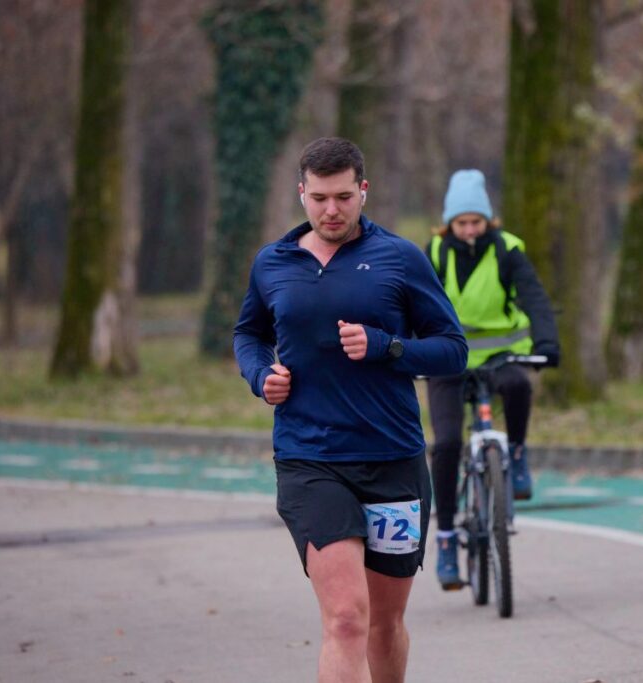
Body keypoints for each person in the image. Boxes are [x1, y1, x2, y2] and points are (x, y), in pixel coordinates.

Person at [233, 137, 467, 683]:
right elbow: (249, 334)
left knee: (384, 624)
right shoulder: (273, 263)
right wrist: (260, 375)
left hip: (393, 462)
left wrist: (389, 346)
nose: (331, 210)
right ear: (302, 194)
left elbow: (453, 350)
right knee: (344, 618)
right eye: (319, 198)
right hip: (311, 460)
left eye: (343, 197)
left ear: (364, 190)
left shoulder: (400, 259)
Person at [424, 169, 560, 590]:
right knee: (447, 443)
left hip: (501, 355)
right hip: (448, 357)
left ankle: (516, 455)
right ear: (449, 223)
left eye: (476, 222)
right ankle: (447, 538)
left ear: (488, 220)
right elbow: (411, 303)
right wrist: (405, 348)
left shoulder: (507, 250)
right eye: (462, 223)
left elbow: (534, 297)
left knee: (518, 385)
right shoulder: (434, 252)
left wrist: (547, 341)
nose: (469, 230)